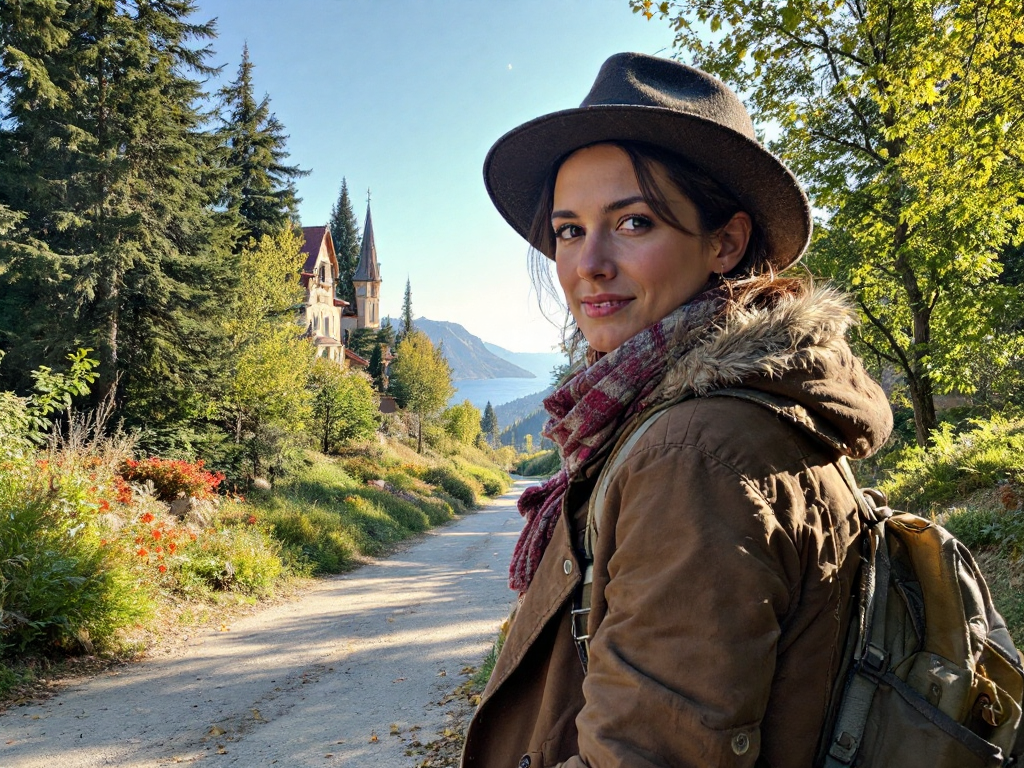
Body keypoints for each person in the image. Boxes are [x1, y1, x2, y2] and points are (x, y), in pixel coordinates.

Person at [460, 53, 894, 768]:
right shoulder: (742, 413)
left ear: (725, 243)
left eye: (633, 222)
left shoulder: (695, 453)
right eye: (569, 230)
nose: (588, 264)